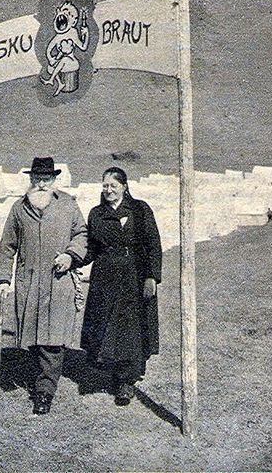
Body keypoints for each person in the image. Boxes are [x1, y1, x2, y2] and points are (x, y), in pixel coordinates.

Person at [0, 157, 87, 415]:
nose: (42, 184)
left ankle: (45, 392)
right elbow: (7, 246)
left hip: (58, 281)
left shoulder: (68, 204)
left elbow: (82, 234)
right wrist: (3, 279)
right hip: (29, 282)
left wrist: (70, 255)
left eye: (47, 178)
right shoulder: (19, 208)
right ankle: (39, 378)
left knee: (53, 339)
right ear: (31, 179)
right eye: (37, 178)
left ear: (54, 180)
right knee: (33, 338)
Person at [81, 166, 162, 406]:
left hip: (135, 277)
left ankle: (127, 381)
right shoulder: (96, 214)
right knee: (109, 326)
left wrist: (152, 277)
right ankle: (115, 373)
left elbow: (153, 244)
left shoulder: (140, 209)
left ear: (124, 187)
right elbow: (91, 249)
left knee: (132, 328)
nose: (108, 190)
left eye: (113, 186)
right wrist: (72, 259)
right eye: (105, 186)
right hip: (105, 278)